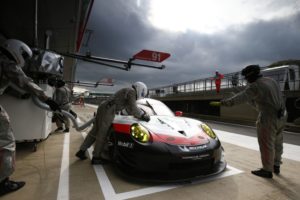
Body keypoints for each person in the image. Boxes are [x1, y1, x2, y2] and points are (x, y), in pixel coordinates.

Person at [0, 39, 60, 195]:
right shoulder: (6, 62)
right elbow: (25, 82)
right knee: (6, 140)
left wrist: (19, 95)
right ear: (18, 52)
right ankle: (2, 182)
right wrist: (48, 99)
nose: (24, 61)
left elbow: (6, 87)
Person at [221, 65, 287, 178]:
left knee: (267, 144)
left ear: (250, 76)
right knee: (278, 143)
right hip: (282, 114)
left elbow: (241, 97)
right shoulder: (271, 81)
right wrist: (250, 100)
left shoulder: (255, 85)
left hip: (268, 118)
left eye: (246, 78)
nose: (246, 80)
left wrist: (226, 102)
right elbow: (264, 99)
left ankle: (267, 170)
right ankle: (276, 165)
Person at [75, 81, 150, 164]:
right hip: (109, 109)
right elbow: (133, 108)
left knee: (95, 131)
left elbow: (129, 109)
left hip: (104, 107)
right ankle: (96, 157)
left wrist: (137, 114)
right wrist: (143, 115)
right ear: (140, 89)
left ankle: (81, 151)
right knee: (102, 133)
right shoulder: (132, 92)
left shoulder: (128, 90)